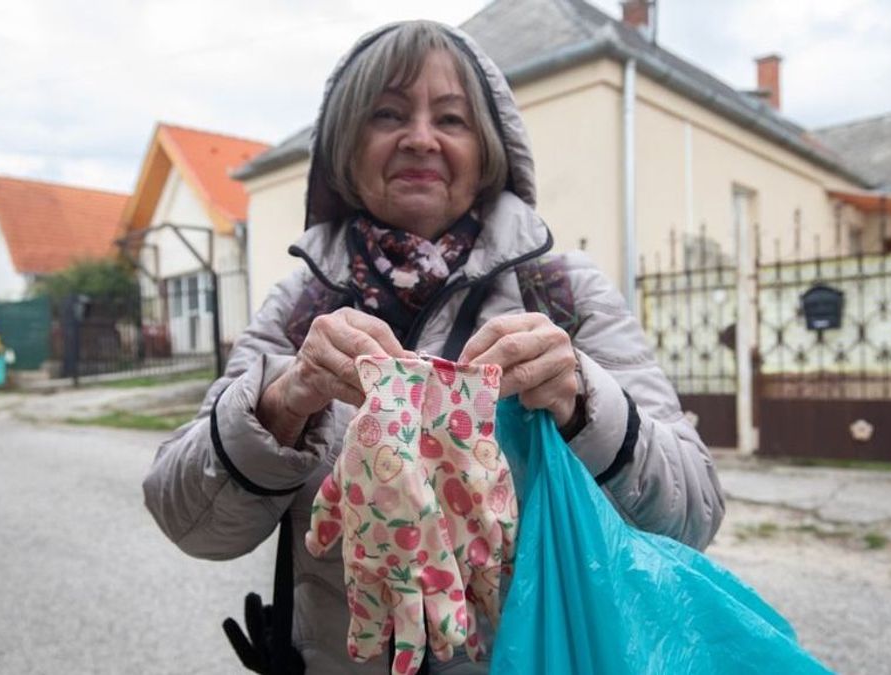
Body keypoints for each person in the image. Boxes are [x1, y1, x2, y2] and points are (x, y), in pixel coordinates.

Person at [143, 20, 725, 674]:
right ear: (346, 147)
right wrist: (282, 402)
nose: (420, 138)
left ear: (488, 151)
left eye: (452, 119)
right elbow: (190, 521)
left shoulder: (562, 294)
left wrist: (584, 401)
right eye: (387, 114)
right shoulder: (300, 308)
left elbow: (692, 514)